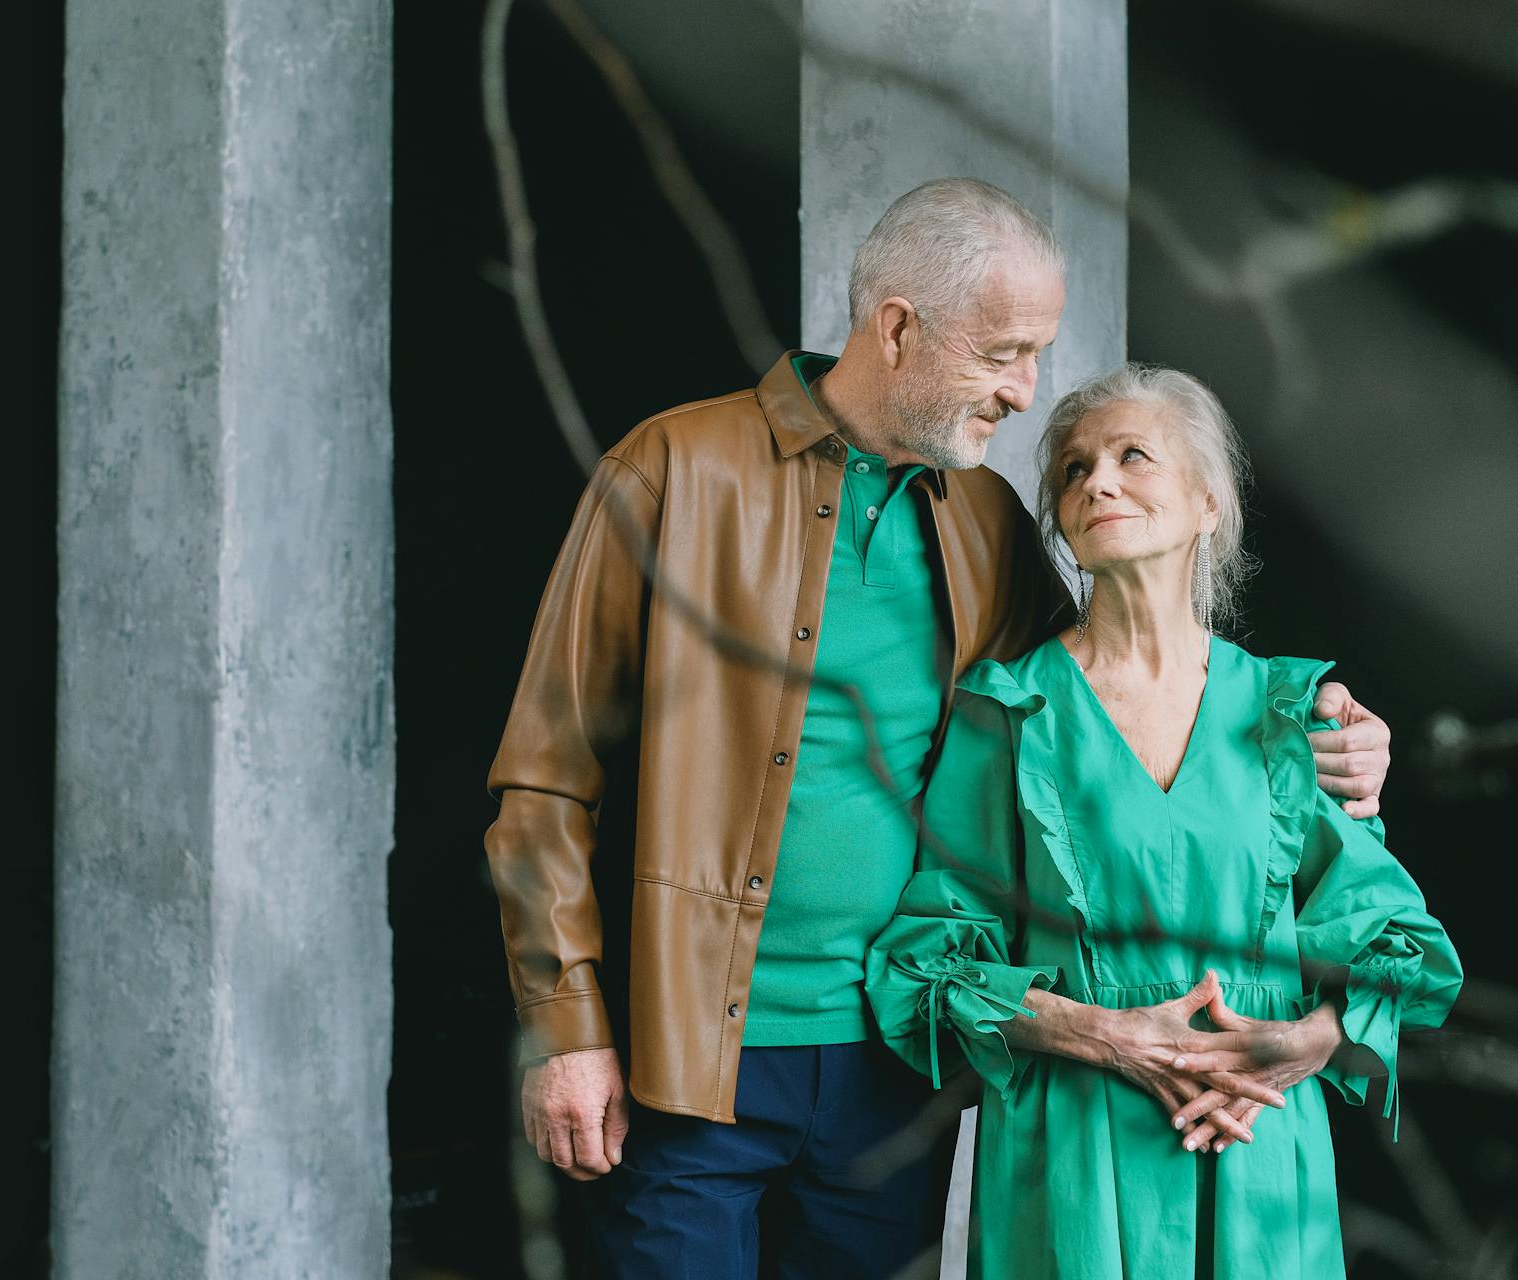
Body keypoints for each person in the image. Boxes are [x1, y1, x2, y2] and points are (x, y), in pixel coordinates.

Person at [484, 180, 1394, 1276]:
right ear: (899, 327)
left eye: (1036, 354)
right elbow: (544, 777)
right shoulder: (672, 469)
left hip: (896, 1064)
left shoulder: (986, 521)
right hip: (685, 1051)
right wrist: (566, 1019)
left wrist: (1333, 737)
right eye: (1005, 351)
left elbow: (1123, 705)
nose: (1026, 392)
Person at [864, 364, 1461, 1278]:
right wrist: (1105, 1033)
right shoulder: (1010, 710)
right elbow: (931, 964)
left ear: (1208, 502)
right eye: (1072, 470)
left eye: (1132, 456)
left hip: (1258, 1142)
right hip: (1073, 1151)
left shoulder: (1288, 712)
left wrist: (1301, 1045)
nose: (1096, 481)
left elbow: (1399, 945)